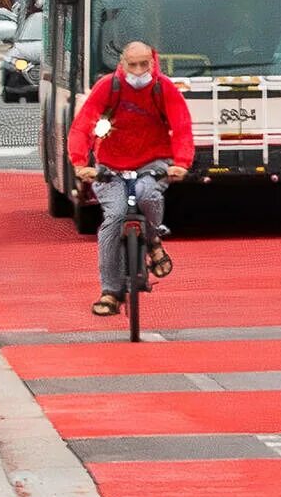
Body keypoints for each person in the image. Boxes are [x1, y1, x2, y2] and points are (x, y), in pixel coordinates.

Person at [66, 40, 194, 317]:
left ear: (153, 62)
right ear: (121, 64)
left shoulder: (163, 88)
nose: (138, 71)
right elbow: (82, 126)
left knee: (149, 194)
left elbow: (182, 126)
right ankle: (110, 291)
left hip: (153, 162)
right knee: (114, 218)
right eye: (132, 65)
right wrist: (80, 163)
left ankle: (153, 238)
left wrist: (181, 163)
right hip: (110, 165)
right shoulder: (107, 87)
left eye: (144, 64)